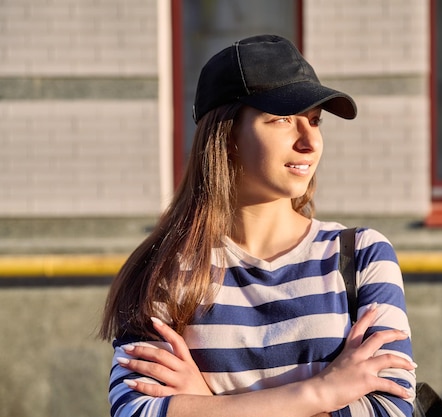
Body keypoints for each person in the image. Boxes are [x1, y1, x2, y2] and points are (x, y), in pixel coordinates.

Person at [100, 34, 417, 417]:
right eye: (283, 119)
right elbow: (136, 411)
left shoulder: (360, 254)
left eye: (314, 121)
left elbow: (390, 408)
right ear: (228, 136)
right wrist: (323, 391)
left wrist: (207, 406)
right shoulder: (165, 268)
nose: (309, 142)